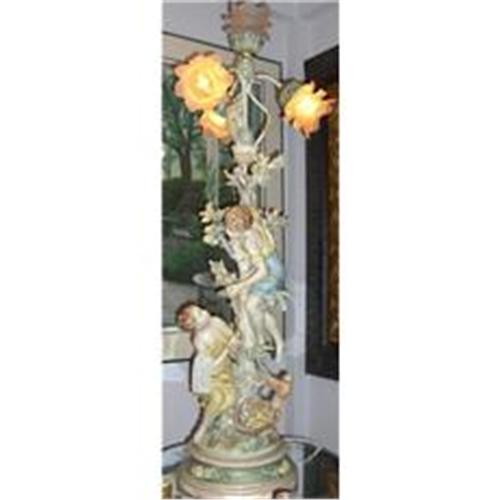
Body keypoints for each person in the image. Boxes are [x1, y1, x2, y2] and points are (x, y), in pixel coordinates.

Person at [222, 205, 285, 360]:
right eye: (229, 221)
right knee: (257, 310)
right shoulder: (244, 235)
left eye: (235, 221)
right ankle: (277, 341)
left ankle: (260, 341)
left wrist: (239, 285)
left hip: (270, 274)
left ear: (243, 222)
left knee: (251, 305)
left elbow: (263, 271)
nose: (231, 225)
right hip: (257, 272)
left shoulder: (250, 239)